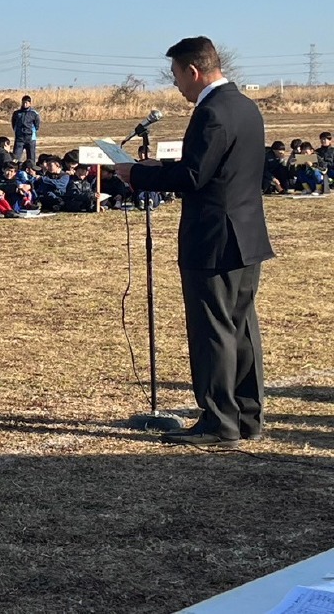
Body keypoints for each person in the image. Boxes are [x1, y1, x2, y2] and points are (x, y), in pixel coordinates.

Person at [115, 36, 274, 448]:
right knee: (241, 326)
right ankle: (247, 415)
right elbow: (213, 166)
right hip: (246, 234)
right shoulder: (245, 106)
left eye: (176, 76)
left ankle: (218, 422)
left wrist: (138, 175)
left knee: (212, 330)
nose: (176, 85)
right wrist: (160, 167)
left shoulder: (210, 112)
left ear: (193, 71)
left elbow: (193, 177)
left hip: (213, 238)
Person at [11, 95, 40, 165]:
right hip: (19, 139)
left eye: (26, 103)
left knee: (31, 159)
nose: (25, 104)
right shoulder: (17, 113)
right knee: (15, 158)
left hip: (30, 139)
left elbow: (37, 125)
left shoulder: (34, 113)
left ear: (30, 103)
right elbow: (13, 123)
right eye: (23, 102)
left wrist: (32, 132)